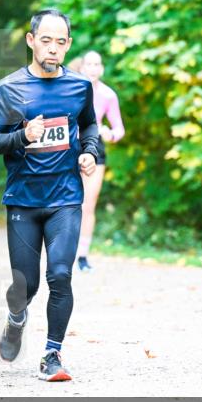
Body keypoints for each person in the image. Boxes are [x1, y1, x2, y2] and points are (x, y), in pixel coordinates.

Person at [0, 8, 103, 382]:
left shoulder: (79, 87)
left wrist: (89, 151)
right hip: (23, 200)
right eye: (46, 40)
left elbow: (89, 126)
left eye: (60, 42)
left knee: (61, 275)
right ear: (32, 41)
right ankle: (16, 318)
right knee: (26, 286)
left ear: (68, 46)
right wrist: (22, 136)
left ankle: (52, 354)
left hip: (66, 197)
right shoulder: (9, 88)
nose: (53, 49)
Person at [76, 50, 124, 272]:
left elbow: (119, 129)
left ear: (101, 69)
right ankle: (61, 251)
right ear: (82, 67)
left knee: (88, 204)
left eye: (97, 64)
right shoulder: (71, 89)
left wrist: (110, 134)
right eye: (89, 64)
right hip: (69, 147)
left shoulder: (108, 95)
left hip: (95, 148)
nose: (93, 68)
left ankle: (82, 256)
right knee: (64, 202)